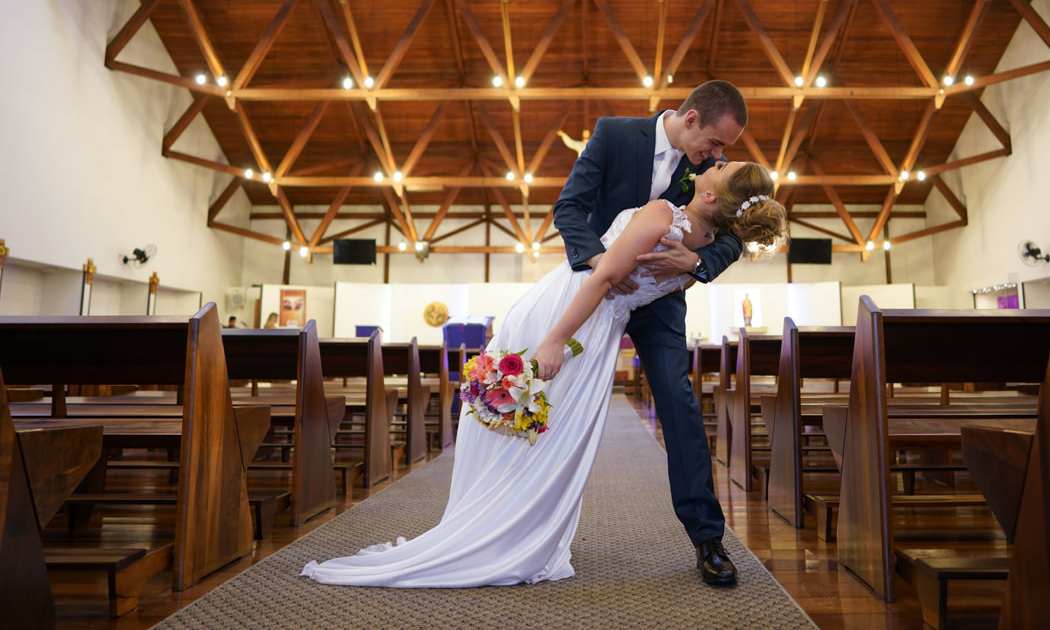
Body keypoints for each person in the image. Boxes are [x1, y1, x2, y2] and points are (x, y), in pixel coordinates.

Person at [301, 161, 786, 589]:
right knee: (523, 417)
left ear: (708, 196)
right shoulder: (688, 218)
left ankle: (505, 530)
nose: (717, 158)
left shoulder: (687, 227)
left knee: (546, 431)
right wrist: (555, 337)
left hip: (582, 318)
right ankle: (494, 525)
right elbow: (591, 242)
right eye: (718, 153)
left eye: (722, 165)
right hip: (582, 316)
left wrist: (555, 339)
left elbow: (608, 279)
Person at [553, 79, 748, 586]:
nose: (717, 155)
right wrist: (602, 265)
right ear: (691, 120)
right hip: (597, 287)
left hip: (660, 302)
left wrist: (698, 260)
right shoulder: (614, 135)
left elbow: (735, 235)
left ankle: (708, 539)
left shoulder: (708, 171)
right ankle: (526, 519)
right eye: (715, 142)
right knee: (556, 391)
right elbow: (569, 208)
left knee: (678, 403)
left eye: (723, 150)